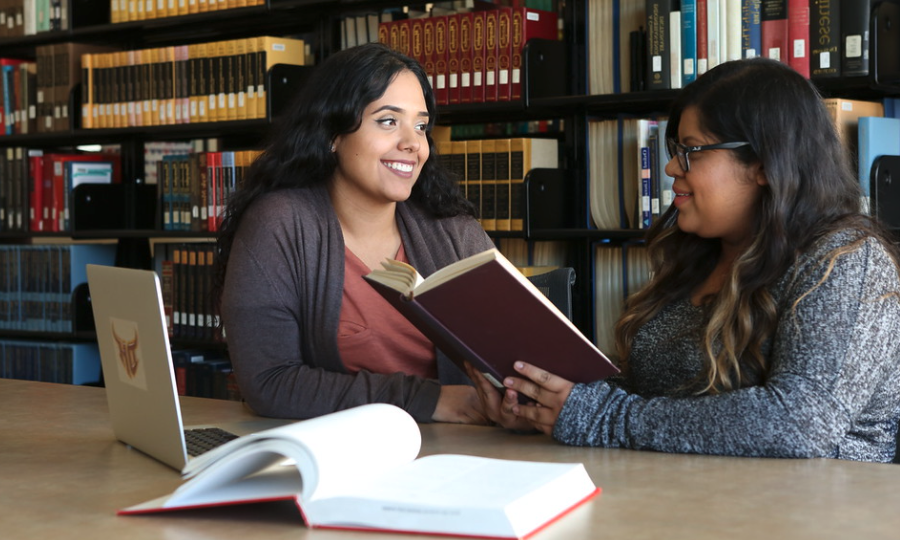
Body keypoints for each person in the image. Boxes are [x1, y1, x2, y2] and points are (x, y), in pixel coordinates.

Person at [469, 57, 900, 462]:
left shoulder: (846, 261)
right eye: (675, 150)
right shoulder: (698, 256)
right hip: (683, 500)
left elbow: (801, 424)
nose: (673, 167)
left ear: (766, 163)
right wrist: (549, 406)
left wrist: (599, 416)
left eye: (691, 150)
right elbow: (655, 400)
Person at [214, 43, 494, 424]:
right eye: (388, 121)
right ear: (332, 133)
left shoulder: (456, 234)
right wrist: (433, 401)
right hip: (340, 455)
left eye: (421, 125)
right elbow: (269, 382)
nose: (413, 144)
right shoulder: (279, 225)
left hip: (467, 452)